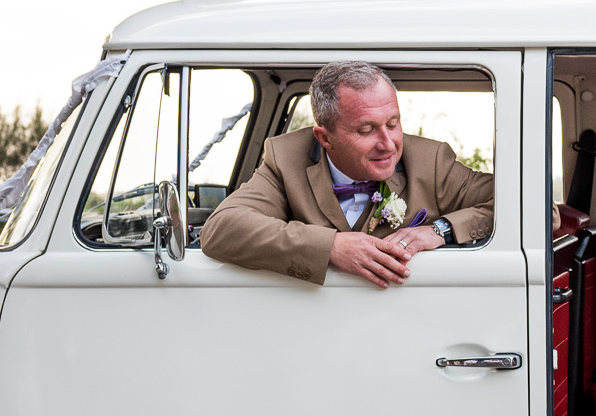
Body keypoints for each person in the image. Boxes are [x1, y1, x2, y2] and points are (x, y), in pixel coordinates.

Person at [200, 61, 493, 287]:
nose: (388, 144)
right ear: (324, 138)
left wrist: (439, 230)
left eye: (393, 124)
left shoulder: (430, 160)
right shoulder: (286, 158)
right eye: (366, 130)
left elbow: (524, 197)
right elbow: (221, 229)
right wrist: (331, 247)